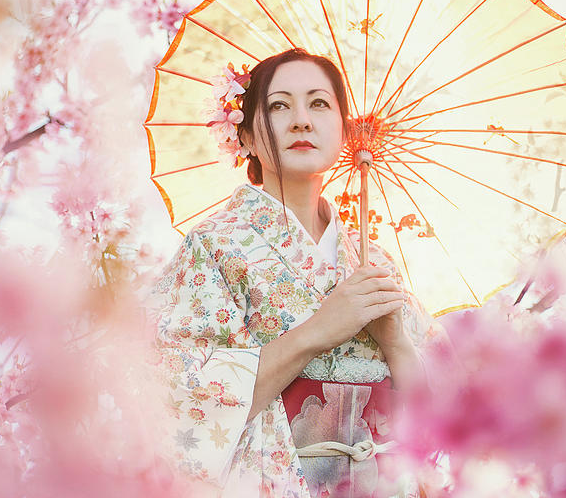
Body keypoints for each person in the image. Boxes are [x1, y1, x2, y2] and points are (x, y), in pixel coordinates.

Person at [152, 48, 444, 498]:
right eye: (279, 105)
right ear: (245, 136)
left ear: (345, 133)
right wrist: (318, 330)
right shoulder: (214, 247)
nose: (302, 120)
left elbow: (438, 416)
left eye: (319, 104)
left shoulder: (376, 263)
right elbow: (182, 398)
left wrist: (396, 343)